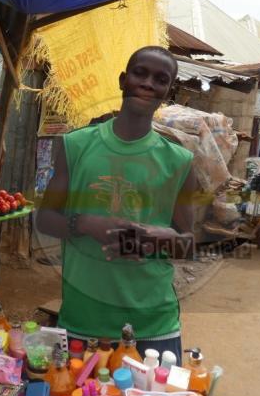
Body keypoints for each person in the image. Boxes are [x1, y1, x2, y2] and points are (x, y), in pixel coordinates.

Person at [37, 46, 197, 362]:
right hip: (84, 320)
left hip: (153, 326)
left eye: (160, 79)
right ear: (123, 80)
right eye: (140, 73)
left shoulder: (179, 161)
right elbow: (44, 219)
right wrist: (84, 224)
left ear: (167, 92)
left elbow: (187, 245)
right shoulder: (76, 145)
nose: (148, 83)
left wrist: (161, 238)